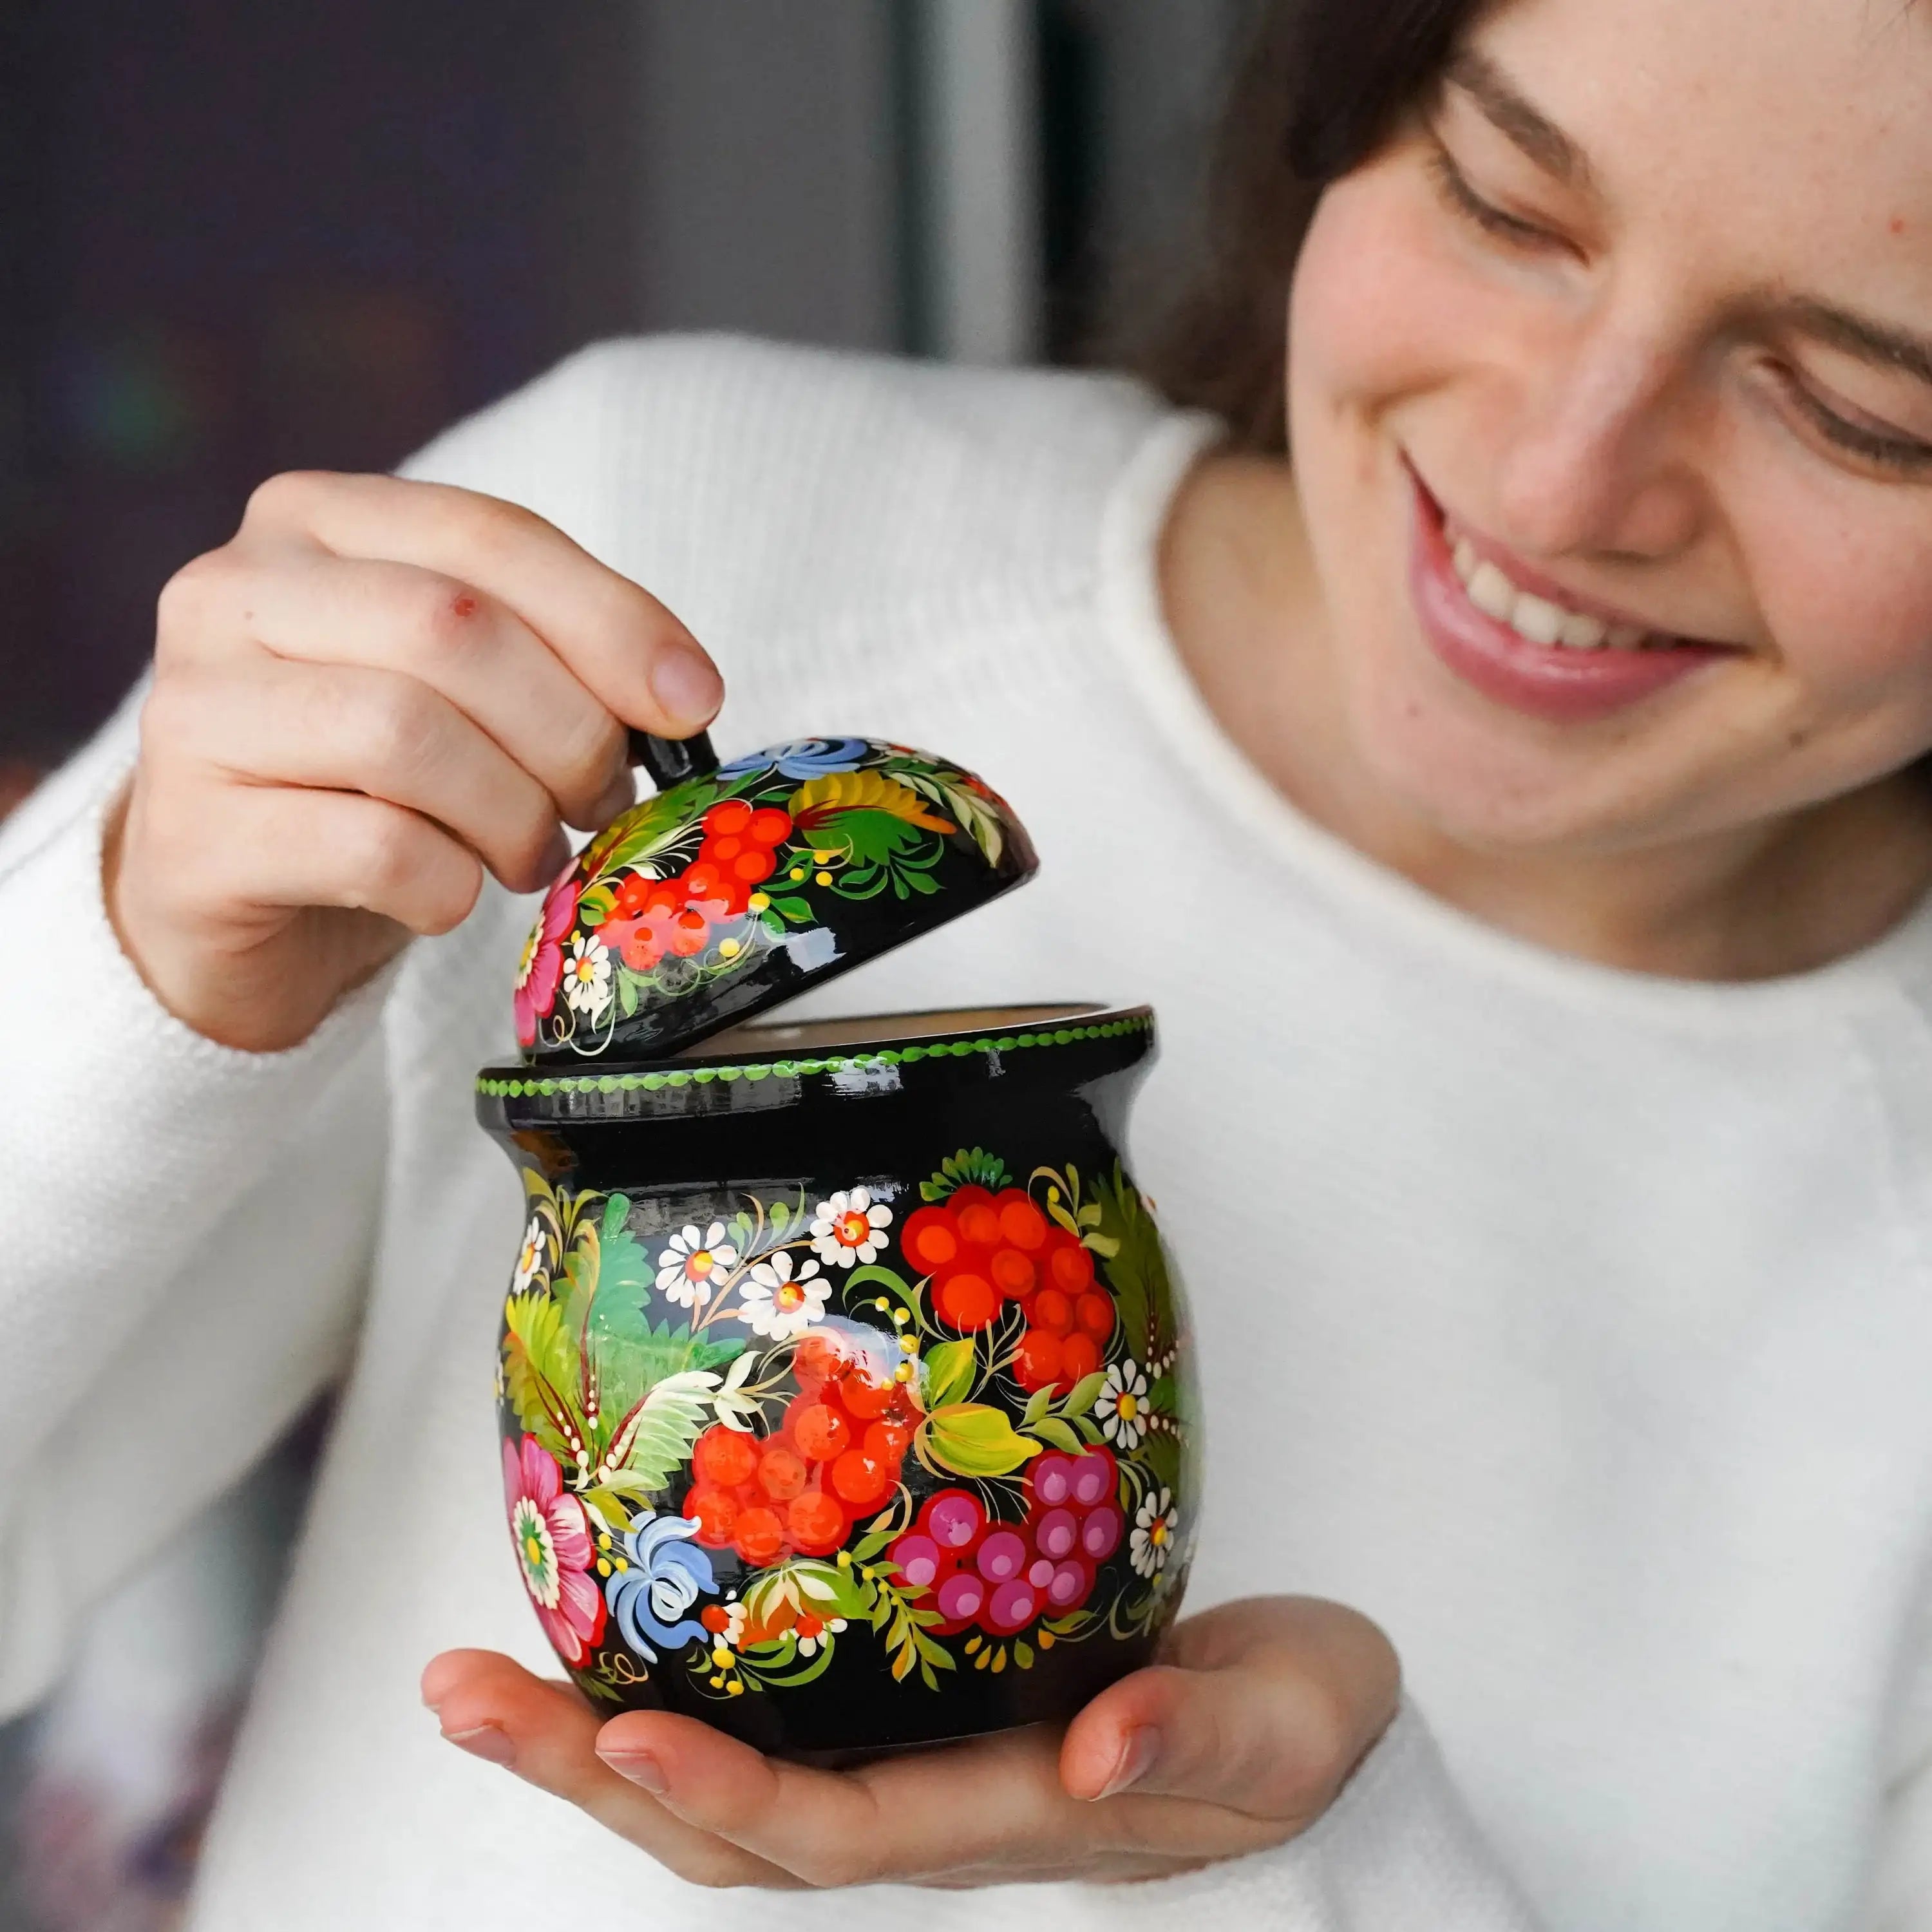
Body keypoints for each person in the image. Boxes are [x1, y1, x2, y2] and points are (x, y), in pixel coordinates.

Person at [4, 0, 1931, 1922]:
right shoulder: (658, 561)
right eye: (1506, 205)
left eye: (1862, 409)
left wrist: (1308, 1864)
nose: (1560, 479)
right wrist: (149, 977)